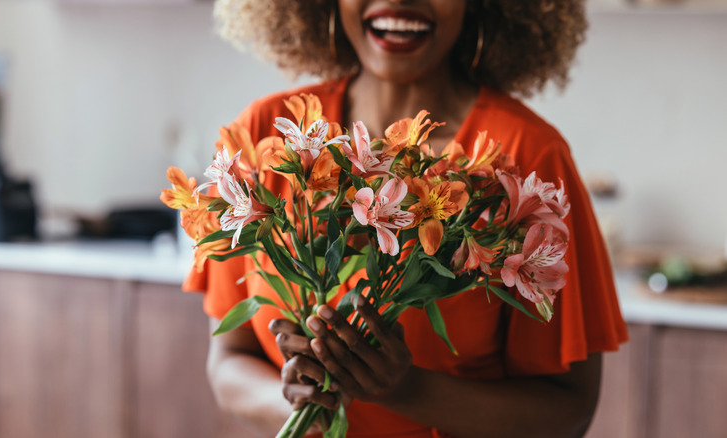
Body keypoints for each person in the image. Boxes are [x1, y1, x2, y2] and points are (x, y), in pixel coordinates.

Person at [184, 0, 628, 437]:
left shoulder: (529, 158)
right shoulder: (267, 132)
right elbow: (227, 363)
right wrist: (299, 402)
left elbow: (569, 413)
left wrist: (407, 389)